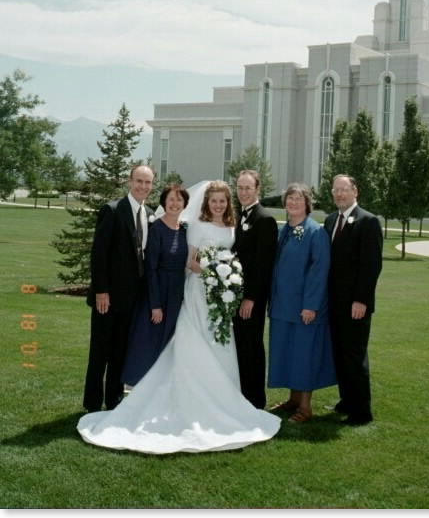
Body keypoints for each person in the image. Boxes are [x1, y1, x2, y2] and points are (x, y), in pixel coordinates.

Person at [77, 180, 281, 454]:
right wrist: (213, 274)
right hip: (199, 291)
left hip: (220, 297)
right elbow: (191, 261)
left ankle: (224, 397)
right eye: (214, 201)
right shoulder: (196, 226)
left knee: (220, 342)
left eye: (222, 201)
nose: (218, 205)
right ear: (206, 203)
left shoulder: (232, 227)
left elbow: (235, 258)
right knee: (192, 340)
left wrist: (227, 279)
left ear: (227, 203)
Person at [82, 164, 155, 412]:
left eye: (147, 182)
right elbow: (99, 254)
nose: (143, 186)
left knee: (120, 353)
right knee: (99, 352)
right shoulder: (113, 211)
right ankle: (92, 403)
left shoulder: (151, 214)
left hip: (132, 300)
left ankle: (113, 400)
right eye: (139, 181)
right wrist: (102, 291)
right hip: (108, 298)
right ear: (129, 182)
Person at [267, 183, 336, 424]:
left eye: (298, 198)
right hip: (282, 305)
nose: (293, 202)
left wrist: (311, 305)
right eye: (290, 198)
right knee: (288, 353)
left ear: (307, 203)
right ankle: (293, 400)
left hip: (304, 308)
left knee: (304, 355)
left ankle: (305, 407)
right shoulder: (283, 230)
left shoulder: (315, 232)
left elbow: (319, 271)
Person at [324, 174, 383, 427]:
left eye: (344, 190)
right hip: (333, 304)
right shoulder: (329, 221)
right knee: (339, 354)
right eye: (336, 190)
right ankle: (346, 401)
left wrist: (361, 301)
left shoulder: (368, 222)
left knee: (355, 356)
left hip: (355, 305)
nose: (339, 194)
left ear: (355, 191)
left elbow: (371, 266)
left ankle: (361, 412)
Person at [121, 183, 189, 387]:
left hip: (178, 292)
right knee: (149, 341)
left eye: (179, 200)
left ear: (185, 203)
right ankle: (139, 385)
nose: (175, 204)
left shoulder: (185, 230)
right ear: (164, 202)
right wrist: (155, 305)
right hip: (159, 290)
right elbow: (150, 268)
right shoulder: (157, 228)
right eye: (171, 199)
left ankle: (162, 386)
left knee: (169, 343)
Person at [232, 170, 278, 409]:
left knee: (252, 347)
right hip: (237, 297)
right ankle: (242, 395)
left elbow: (263, 265)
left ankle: (255, 400)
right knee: (241, 346)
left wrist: (250, 298)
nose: (243, 192)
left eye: (248, 188)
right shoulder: (241, 216)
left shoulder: (265, 219)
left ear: (258, 189)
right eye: (240, 187)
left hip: (252, 299)